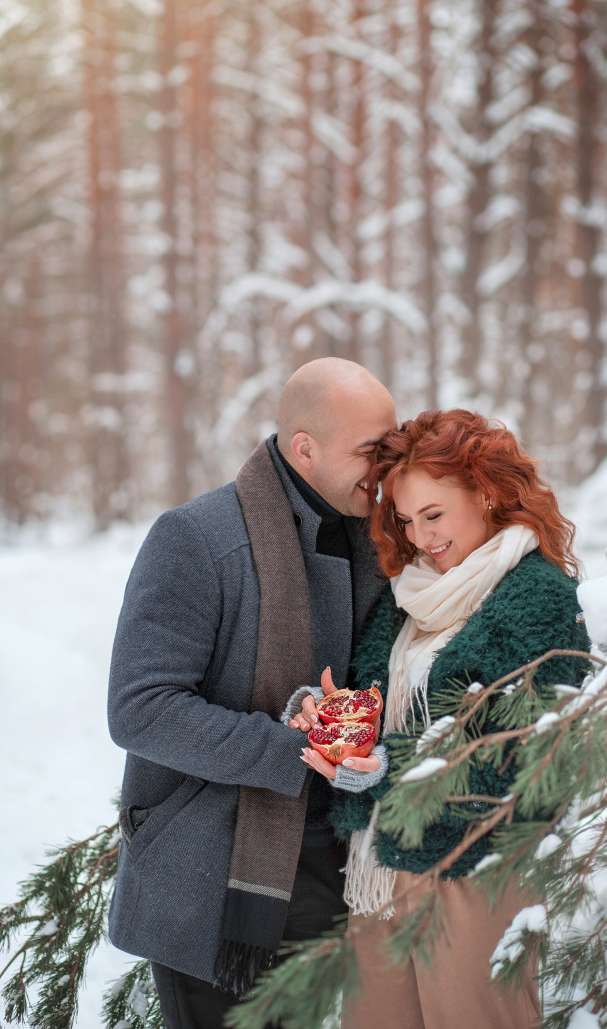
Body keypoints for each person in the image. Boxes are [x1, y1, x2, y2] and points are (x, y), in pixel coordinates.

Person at [106, 357, 397, 1029]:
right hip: (214, 881)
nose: (386, 467)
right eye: (369, 451)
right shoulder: (196, 540)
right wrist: (289, 748)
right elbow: (141, 708)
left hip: (335, 866)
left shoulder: (376, 543)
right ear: (306, 448)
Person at [295, 409, 591, 1029]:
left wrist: (374, 765)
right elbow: (390, 708)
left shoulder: (537, 597)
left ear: (486, 492)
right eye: (406, 519)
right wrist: (336, 725)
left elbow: (503, 754)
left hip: (473, 873)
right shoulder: (413, 593)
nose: (422, 536)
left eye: (434, 515)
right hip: (380, 866)